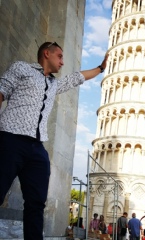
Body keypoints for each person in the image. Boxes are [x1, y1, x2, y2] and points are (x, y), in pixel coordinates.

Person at [0, 41, 108, 240]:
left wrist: (101, 68)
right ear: (46, 54)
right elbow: (2, 91)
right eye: (59, 56)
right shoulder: (22, 68)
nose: (63, 62)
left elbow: (77, 78)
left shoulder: (54, 83)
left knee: (36, 203)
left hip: (37, 148)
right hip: (10, 138)